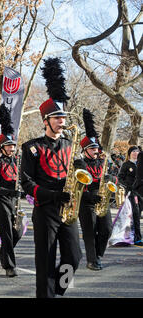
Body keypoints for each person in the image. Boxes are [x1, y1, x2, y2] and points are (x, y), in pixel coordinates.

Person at [20, 57, 82, 298]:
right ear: (45, 120)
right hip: (45, 209)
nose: (62, 122)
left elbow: (79, 174)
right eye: (57, 118)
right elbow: (26, 183)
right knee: (45, 260)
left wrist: (81, 171)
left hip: (68, 208)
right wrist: (52, 194)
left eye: (63, 118)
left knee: (73, 257)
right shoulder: (31, 147)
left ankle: (58, 289)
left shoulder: (70, 144)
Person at [74, 108, 114, 270]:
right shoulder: (79, 163)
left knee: (106, 230)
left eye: (96, 148)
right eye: (92, 149)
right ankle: (92, 260)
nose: (96, 151)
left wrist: (110, 180)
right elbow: (79, 184)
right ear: (84, 150)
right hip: (86, 201)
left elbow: (110, 178)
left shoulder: (102, 162)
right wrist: (90, 196)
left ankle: (97, 254)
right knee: (90, 232)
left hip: (102, 200)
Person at [0, 104, 23, 277]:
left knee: (18, 232)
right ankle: (9, 266)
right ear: (2, 147)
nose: (11, 148)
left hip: (15, 201)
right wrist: (8, 192)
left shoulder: (18, 161)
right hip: (2, 201)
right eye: (8, 146)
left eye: (13, 145)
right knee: (7, 234)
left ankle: (3, 253)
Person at [118, 145, 142, 246]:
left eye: (137, 152)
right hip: (131, 193)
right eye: (133, 151)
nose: (135, 153)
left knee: (137, 215)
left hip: (140, 192)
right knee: (134, 215)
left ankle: (134, 237)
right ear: (129, 154)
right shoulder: (126, 165)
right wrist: (127, 186)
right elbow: (120, 178)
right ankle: (135, 238)